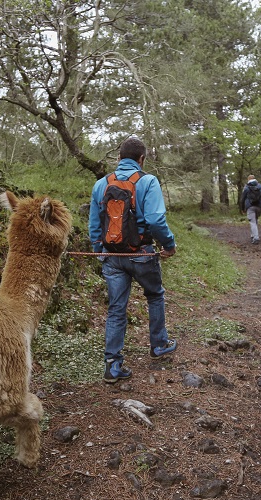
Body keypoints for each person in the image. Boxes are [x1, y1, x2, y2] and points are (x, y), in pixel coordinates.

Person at [88, 136, 178, 383]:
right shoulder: (148, 181)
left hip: (112, 257)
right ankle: (159, 345)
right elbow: (155, 220)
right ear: (142, 159)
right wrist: (169, 245)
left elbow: (95, 224)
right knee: (155, 295)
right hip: (142, 255)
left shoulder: (101, 184)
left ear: (119, 158)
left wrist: (100, 251)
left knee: (116, 308)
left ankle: (113, 365)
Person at [239, 174, 261, 244]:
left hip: (250, 207)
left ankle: (256, 238)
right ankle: (253, 235)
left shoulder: (246, 188)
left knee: (252, 222)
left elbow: (242, 199)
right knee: (255, 221)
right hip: (259, 207)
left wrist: (242, 208)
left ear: (248, 179)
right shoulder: (260, 186)